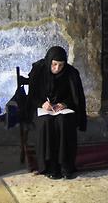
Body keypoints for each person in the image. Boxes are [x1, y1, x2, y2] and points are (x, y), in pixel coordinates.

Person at [27, 46, 87, 179]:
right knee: (46, 122)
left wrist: (65, 104)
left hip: (62, 109)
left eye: (61, 65)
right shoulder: (39, 70)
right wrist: (42, 103)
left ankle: (65, 165)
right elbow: (32, 96)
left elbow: (75, 97)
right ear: (49, 62)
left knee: (64, 121)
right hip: (42, 109)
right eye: (54, 64)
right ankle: (50, 166)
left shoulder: (70, 73)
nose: (57, 68)